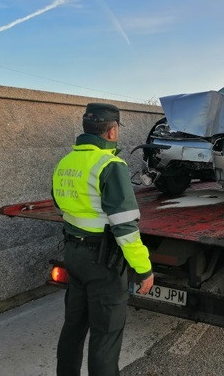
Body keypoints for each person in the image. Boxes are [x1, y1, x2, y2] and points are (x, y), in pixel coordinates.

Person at [52, 103, 154, 376]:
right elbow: (125, 228)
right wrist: (143, 269)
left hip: (74, 254)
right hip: (103, 262)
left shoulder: (65, 162)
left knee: (73, 327)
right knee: (106, 334)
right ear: (112, 131)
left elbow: (60, 204)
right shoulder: (111, 165)